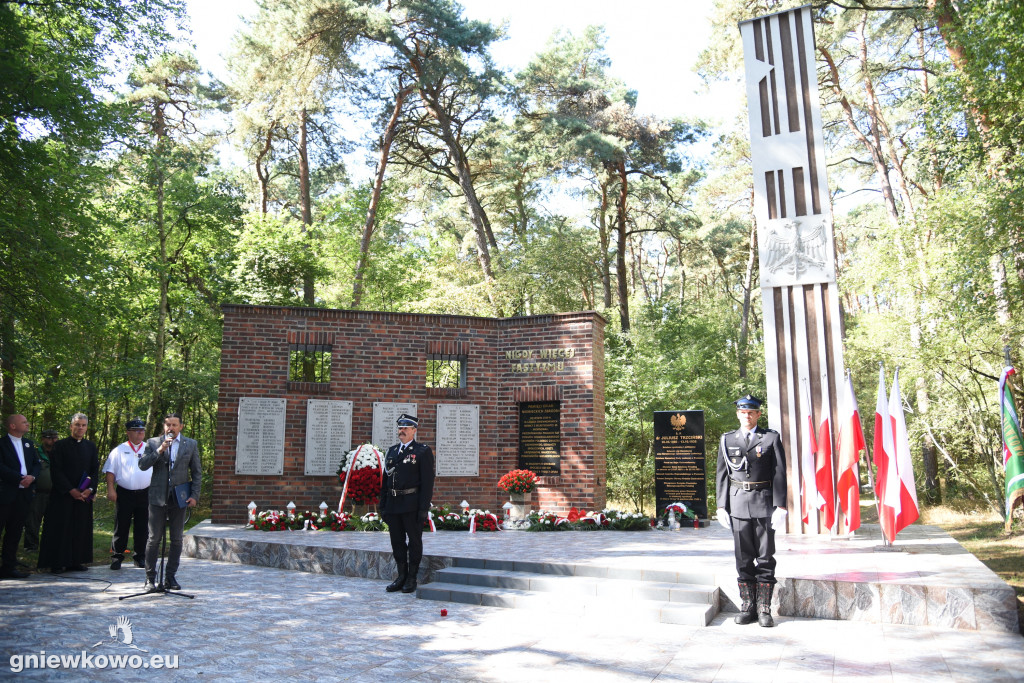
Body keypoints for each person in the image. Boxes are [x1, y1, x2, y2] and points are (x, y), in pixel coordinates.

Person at [715, 394, 787, 627]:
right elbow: (722, 474)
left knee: (765, 557)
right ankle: (748, 607)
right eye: (743, 412)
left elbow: (779, 472)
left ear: (758, 414)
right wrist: (720, 505)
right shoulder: (728, 439)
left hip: (764, 502)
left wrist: (781, 505)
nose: (747, 415)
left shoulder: (770, 438)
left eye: (751, 412)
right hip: (737, 504)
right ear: (738, 414)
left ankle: (765, 609)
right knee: (743, 558)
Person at [138, 412, 200, 593]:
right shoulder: (153, 443)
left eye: (174, 425)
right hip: (158, 497)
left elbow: (196, 472)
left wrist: (194, 495)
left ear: (180, 426)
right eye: (167, 425)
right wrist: (160, 450)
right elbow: (142, 465)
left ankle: (170, 576)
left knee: (176, 539)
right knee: (154, 539)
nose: (170, 428)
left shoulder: (191, 444)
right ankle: (150, 578)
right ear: (164, 427)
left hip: (179, 499)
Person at [379, 414, 434, 594]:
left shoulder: (422, 451)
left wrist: (423, 508)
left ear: (414, 430)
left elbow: (427, 482)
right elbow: (385, 480)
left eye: (405, 428)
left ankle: (412, 577)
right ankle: (401, 576)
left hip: (411, 504)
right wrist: (383, 505)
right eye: (400, 428)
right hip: (393, 504)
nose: (401, 431)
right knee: (397, 542)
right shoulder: (392, 451)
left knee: (414, 542)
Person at [37, 413, 98, 574]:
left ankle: (75, 561)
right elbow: (56, 470)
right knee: (60, 528)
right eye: (77, 424)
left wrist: (90, 489)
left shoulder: (91, 446)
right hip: (63, 495)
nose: (80, 428)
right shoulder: (60, 445)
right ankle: (57, 562)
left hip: (84, 496)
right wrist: (70, 490)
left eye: (83, 425)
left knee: (80, 528)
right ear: (71, 426)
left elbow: (94, 470)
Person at [103, 418, 152, 570]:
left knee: (142, 526)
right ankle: (117, 556)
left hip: (145, 492)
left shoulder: (149, 449)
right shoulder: (119, 450)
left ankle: (140, 557)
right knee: (122, 524)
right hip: (124, 493)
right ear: (128, 432)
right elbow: (110, 471)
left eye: (142, 430)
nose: (140, 433)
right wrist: (110, 489)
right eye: (137, 430)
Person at [0, 414, 41, 578]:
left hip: (23, 495)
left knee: (15, 531)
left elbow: (36, 465)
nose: (28, 424)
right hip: (5, 494)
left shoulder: (29, 444)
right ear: (12, 426)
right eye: (24, 422)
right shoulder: (1, 444)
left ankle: (8, 567)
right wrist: (18, 478)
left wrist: (32, 477)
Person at [23, 429, 56, 552]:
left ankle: (49, 546)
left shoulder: (58, 453)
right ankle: (31, 546)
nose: (52, 440)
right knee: (32, 520)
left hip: (55, 493)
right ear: (43, 438)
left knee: (53, 521)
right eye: (49, 438)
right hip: (38, 492)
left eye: (55, 438)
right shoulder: (35, 453)